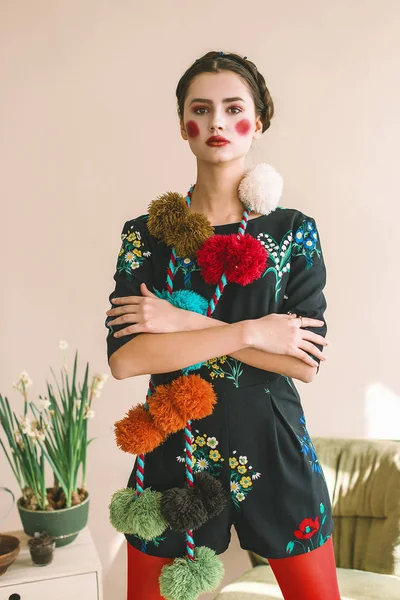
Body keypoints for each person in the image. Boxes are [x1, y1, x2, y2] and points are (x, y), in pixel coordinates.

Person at [105, 50, 341, 600]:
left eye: (233, 109)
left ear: (257, 123)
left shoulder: (291, 232)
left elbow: (301, 363)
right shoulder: (147, 235)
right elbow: (127, 360)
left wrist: (178, 322)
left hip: (276, 449)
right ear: (182, 125)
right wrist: (251, 331)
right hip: (172, 456)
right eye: (201, 108)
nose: (216, 122)